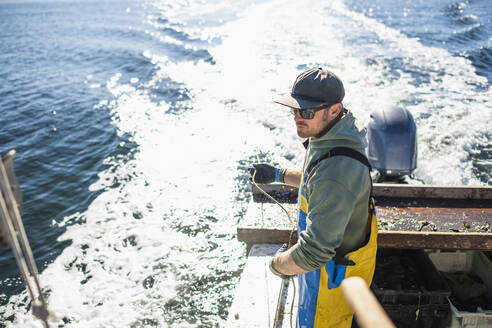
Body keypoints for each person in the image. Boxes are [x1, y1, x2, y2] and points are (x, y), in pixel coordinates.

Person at [250, 68, 378, 328]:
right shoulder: (331, 136)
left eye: (306, 112)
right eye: (294, 110)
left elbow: (312, 254)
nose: (297, 118)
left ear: (334, 110)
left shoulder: (335, 173)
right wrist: (279, 174)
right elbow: (314, 180)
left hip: (329, 285)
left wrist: (278, 265)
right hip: (322, 274)